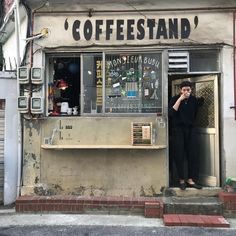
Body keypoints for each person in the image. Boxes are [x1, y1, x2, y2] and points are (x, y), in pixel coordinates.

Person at [168, 81, 203, 190]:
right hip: (178, 130)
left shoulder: (193, 100)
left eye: (188, 90)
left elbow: (196, 113)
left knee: (193, 154)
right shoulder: (174, 99)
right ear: (180, 90)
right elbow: (171, 113)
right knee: (179, 154)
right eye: (184, 90)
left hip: (191, 129)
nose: (186, 92)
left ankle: (191, 180)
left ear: (191, 90)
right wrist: (180, 99)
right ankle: (181, 180)